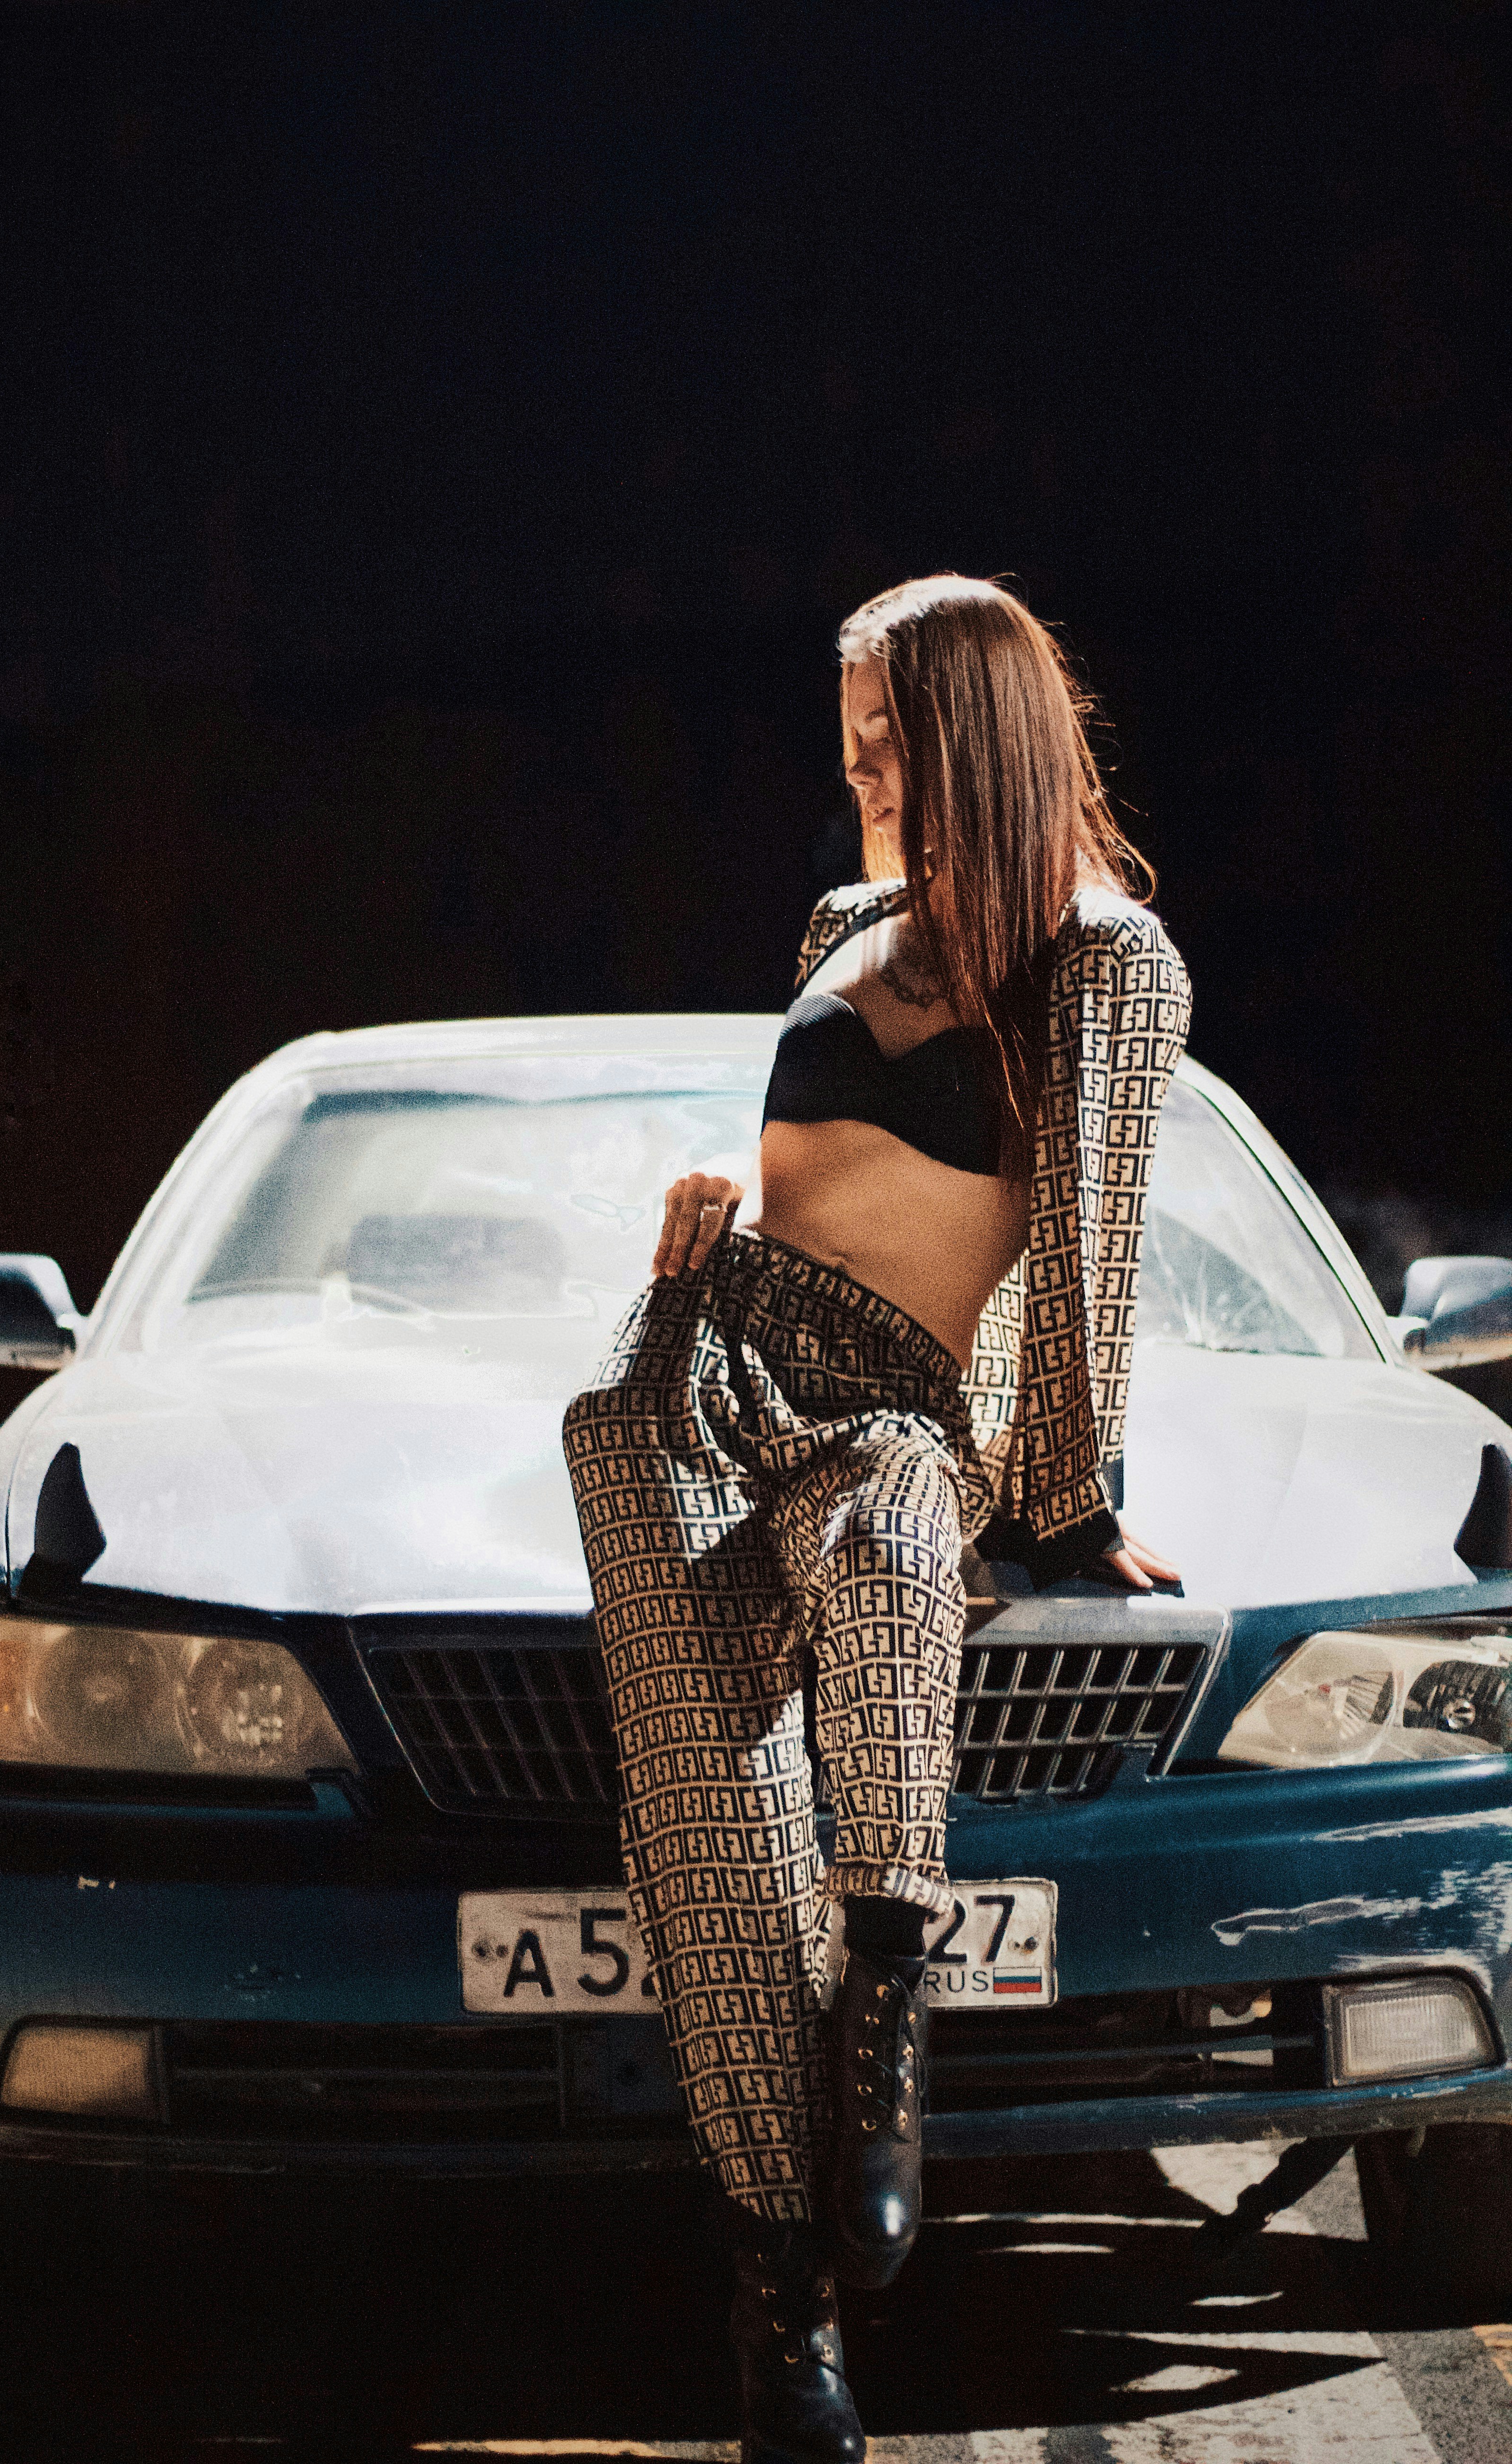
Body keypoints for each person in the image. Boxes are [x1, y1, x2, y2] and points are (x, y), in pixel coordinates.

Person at [562, 575, 1191, 2464]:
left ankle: (891, 1985)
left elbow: (1087, 1240)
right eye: (847, 736)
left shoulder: (1105, 960)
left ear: (984, 733)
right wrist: (698, 1247)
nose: (861, 768)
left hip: (895, 1411)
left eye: (892, 734)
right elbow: (807, 1184)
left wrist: (1072, 1509)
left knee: (914, 1527)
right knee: (700, 1794)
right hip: (702, 1363)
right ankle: (785, 2296)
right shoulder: (845, 922)